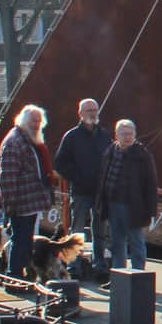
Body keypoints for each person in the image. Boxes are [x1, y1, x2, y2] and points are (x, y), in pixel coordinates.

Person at [54, 98, 114, 270]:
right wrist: (77, 177)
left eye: (95, 110)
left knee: (100, 230)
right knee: (78, 229)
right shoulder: (72, 136)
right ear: (80, 114)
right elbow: (60, 163)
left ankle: (99, 262)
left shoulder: (104, 135)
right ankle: (75, 264)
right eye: (88, 111)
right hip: (81, 191)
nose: (93, 114)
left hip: (100, 191)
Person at [0, 105, 54, 280]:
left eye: (38, 121)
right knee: (20, 240)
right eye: (33, 121)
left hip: (29, 201)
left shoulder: (27, 139)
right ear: (23, 121)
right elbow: (7, 176)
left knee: (25, 240)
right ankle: (14, 276)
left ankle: (25, 273)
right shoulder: (16, 141)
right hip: (20, 201)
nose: (36, 124)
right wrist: (10, 204)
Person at [97, 118, 158, 272]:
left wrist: (150, 210)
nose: (128, 137)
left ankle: (138, 274)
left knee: (136, 240)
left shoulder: (142, 155)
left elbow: (151, 184)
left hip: (134, 206)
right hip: (113, 204)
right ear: (117, 135)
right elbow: (103, 177)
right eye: (124, 134)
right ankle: (119, 275)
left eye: (131, 134)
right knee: (117, 242)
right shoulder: (110, 151)